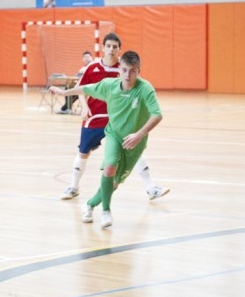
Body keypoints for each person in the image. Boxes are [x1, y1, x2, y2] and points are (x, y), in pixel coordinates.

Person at [50, 50, 163, 228]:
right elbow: (86, 88)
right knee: (109, 168)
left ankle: (89, 205)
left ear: (139, 70)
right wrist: (64, 94)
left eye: (133, 71)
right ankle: (106, 211)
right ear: (119, 69)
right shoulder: (109, 85)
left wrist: (139, 134)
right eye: (124, 70)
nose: (128, 75)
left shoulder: (145, 89)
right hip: (114, 136)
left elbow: (157, 115)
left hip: (136, 143)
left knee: (114, 184)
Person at [60, 33, 170, 202]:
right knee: (83, 152)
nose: (111, 49)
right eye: (108, 46)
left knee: (133, 150)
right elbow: (81, 88)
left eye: (115, 47)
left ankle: (151, 188)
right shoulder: (93, 67)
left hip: (119, 121)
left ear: (119, 49)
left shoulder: (125, 68)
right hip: (95, 118)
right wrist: (84, 106)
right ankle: (73, 187)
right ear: (103, 48)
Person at [57, 50, 93, 115]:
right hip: (81, 87)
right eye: (85, 57)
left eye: (88, 57)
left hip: (90, 88)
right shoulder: (82, 68)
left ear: (91, 58)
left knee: (77, 91)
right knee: (69, 88)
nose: (86, 59)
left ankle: (65, 108)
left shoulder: (93, 66)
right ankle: (67, 108)